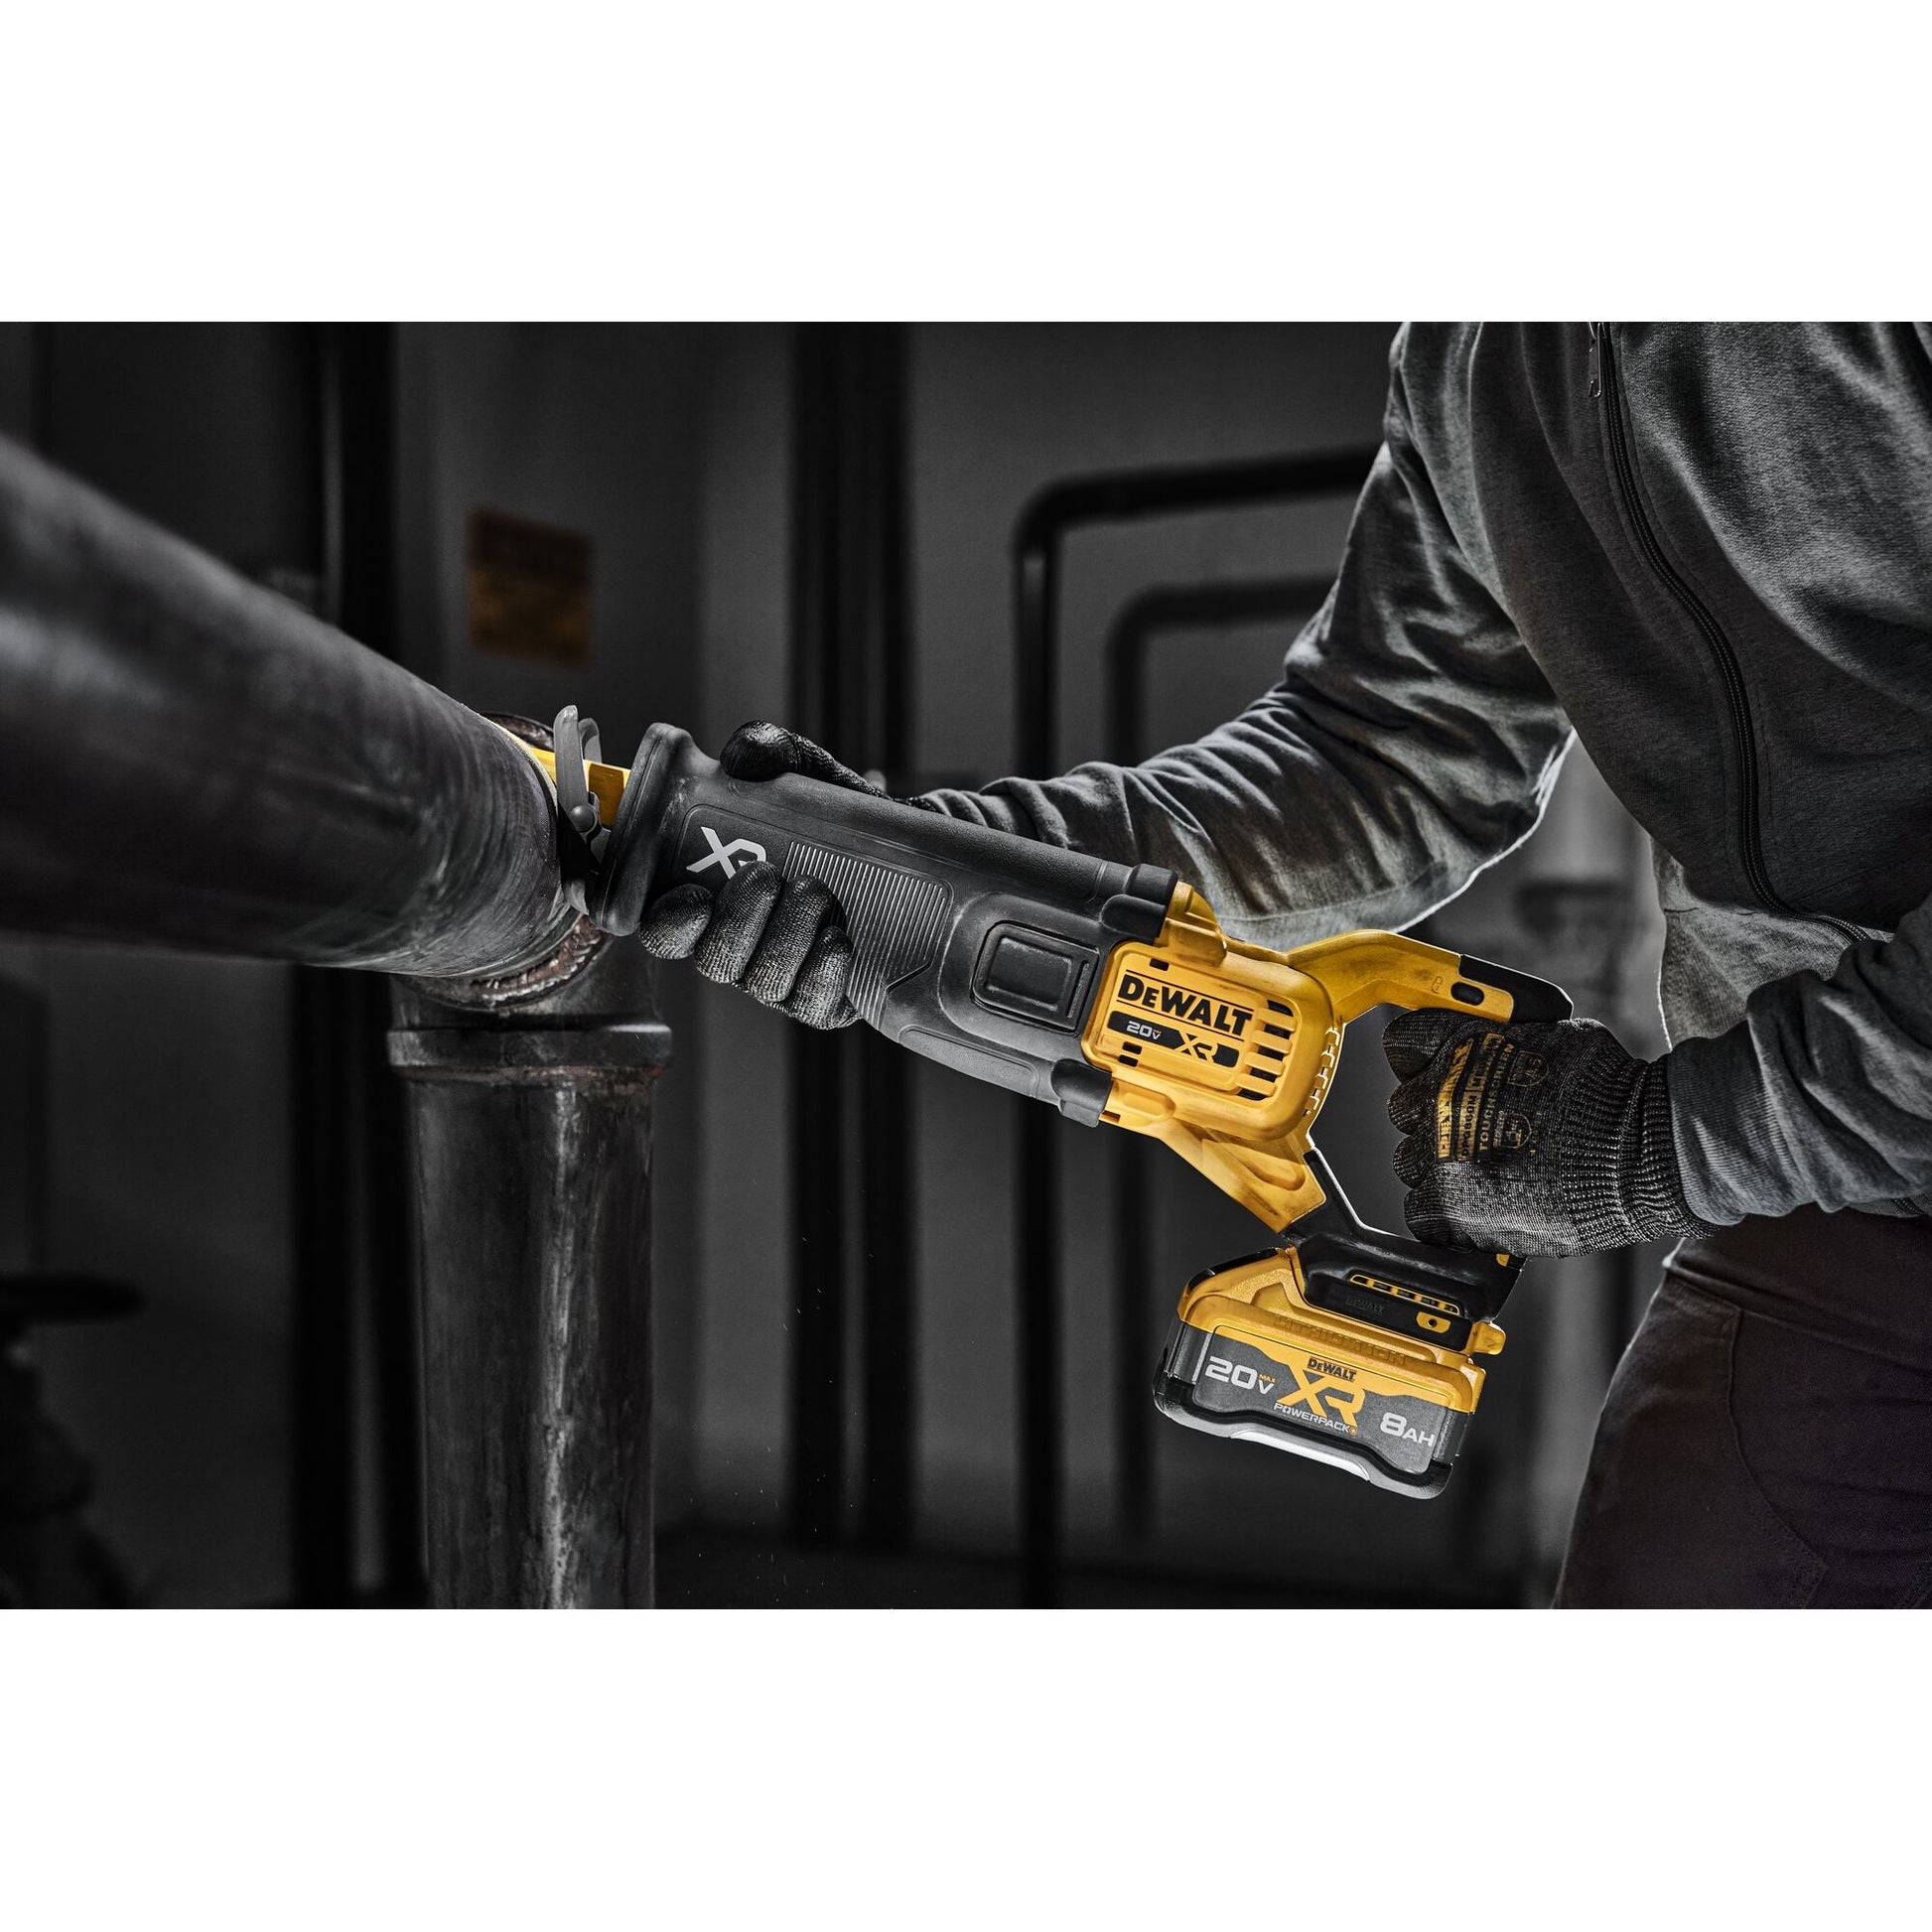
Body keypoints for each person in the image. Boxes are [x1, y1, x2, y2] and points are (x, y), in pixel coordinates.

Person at [637, 325, 1932, 1609]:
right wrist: (921, 869)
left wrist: (1665, 1140)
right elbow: (1377, 756)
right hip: (1823, 1220)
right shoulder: (1476, 354)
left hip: (1781, 1141)